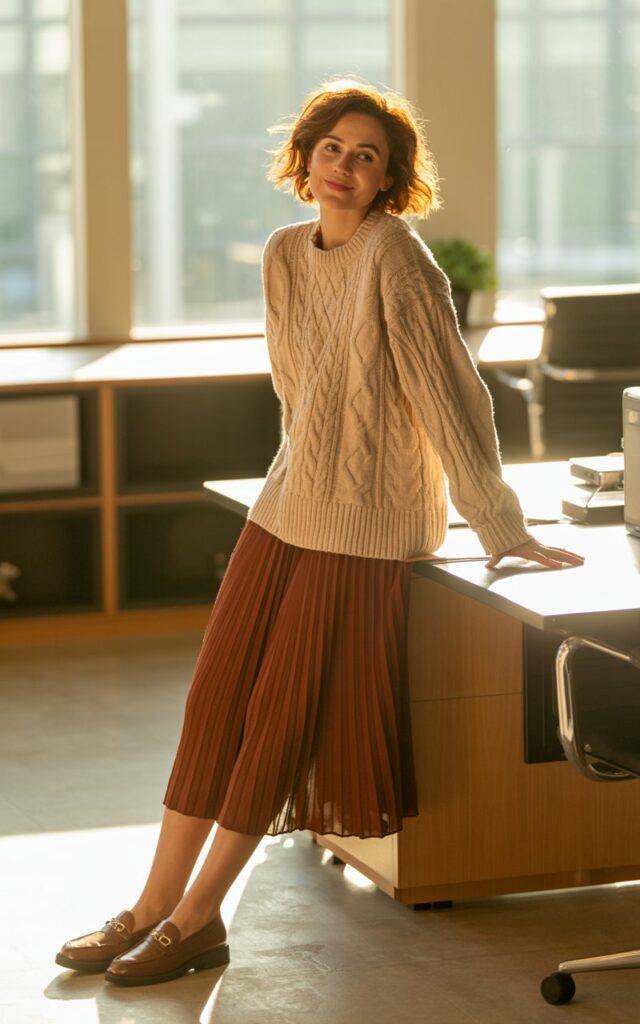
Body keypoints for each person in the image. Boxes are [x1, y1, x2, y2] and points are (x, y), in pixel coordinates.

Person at [55, 76, 584, 987]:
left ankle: (197, 919)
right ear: (305, 159)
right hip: (287, 504)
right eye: (331, 149)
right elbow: (302, 395)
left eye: (365, 155)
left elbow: (451, 398)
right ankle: (148, 905)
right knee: (215, 704)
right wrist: (298, 480)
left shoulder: (400, 260)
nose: (344, 167)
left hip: (369, 525)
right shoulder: (283, 252)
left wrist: (497, 524)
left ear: (390, 180)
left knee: (275, 721)